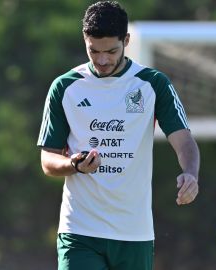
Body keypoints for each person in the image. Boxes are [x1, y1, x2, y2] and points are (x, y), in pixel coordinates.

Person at [36, 1, 200, 269]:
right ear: (85, 40)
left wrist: (190, 173)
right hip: (79, 231)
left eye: (111, 51)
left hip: (134, 232)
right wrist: (74, 165)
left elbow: (184, 141)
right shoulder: (65, 87)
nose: (101, 60)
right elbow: (48, 161)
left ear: (126, 40)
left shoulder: (153, 84)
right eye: (94, 51)